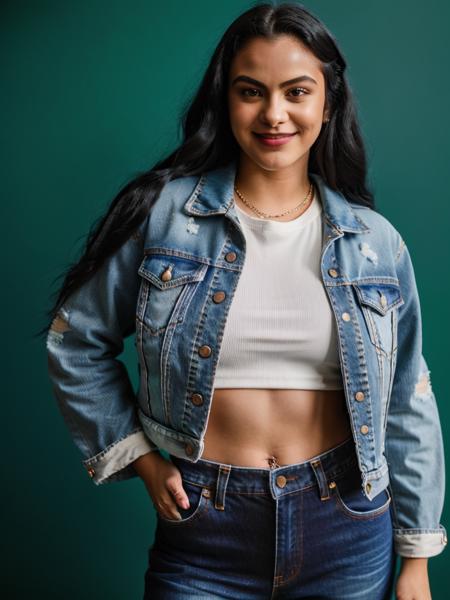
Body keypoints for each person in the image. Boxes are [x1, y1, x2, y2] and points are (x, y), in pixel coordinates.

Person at [43, 2, 447, 599]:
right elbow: (75, 340)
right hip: (204, 528)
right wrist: (141, 459)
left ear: (327, 102)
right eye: (251, 91)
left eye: (297, 91)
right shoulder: (163, 217)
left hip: (349, 525)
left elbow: (409, 397)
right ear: (224, 101)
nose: (274, 114)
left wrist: (417, 556)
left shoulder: (374, 242)